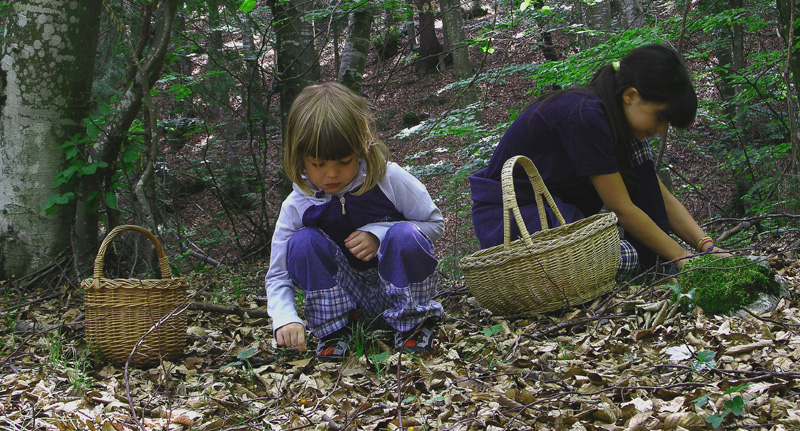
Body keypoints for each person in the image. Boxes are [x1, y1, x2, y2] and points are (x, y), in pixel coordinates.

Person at [469, 44, 726, 273]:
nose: (661, 129)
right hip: (513, 223)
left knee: (631, 254)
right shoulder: (585, 116)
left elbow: (661, 198)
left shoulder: (620, 123)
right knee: (623, 257)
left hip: (558, 219)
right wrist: (681, 257)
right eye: (660, 117)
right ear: (630, 96)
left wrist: (706, 247)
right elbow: (622, 209)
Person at [265, 82, 444, 360]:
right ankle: (335, 332)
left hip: (397, 291)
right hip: (346, 300)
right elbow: (277, 273)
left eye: (344, 161)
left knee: (405, 235)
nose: (331, 175)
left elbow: (434, 224)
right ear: (299, 157)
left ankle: (414, 325)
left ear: (362, 148)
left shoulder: (388, 179)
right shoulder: (298, 204)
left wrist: (378, 233)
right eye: (318, 164)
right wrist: (285, 317)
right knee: (302, 243)